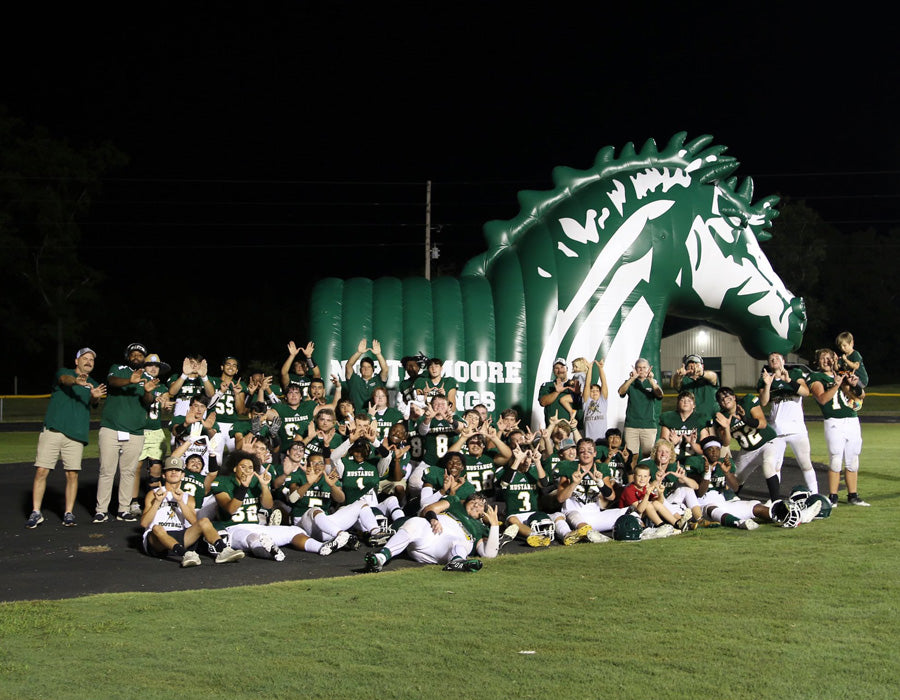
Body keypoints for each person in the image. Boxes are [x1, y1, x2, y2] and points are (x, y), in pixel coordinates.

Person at [210, 450, 350, 560]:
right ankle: (270, 552)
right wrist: (243, 488)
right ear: (235, 469)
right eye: (243, 467)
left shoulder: (255, 482)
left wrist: (264, 487)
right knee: (253, 538)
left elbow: (268, 505)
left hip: (257, 526)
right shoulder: (223, 482)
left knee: (295, 531)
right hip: (233, 529)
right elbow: (230, 509)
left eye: (250, 467)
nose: (247, 470)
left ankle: (322, 548)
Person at [27, 347, 107, 529]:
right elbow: (65, 380)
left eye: (92, 360)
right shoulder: (65, 373)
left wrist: (95, 397)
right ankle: (36, 511)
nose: (88, 361)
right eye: (85, 358)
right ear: (76, 361)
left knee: (72, 474)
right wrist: (78, 382)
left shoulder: (93, 383)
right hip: (54, 430)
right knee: (42, 471)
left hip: (76, 435)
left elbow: (93, 402)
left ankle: (68, 513)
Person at [140, 456, 244, 567]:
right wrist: (157, 502)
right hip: (157, 541)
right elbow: (144, 523)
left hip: (180, 536)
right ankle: (185, 554)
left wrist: (180, 502)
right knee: (157, 528)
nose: (174, 472)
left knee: (204, 521)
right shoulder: (153, 494)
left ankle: (223, 550)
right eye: (170, 470)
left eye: (177, 470)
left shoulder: (188, 497)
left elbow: (195, 522)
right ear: (164, 475)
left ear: (182, 475)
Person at [94, 343, 158, 523]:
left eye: (140, 355)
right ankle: (101, 510)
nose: (136, 356)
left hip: (135, 431)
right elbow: (112, 382)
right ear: (128, 356)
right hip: (111, 428)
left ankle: (123, 509)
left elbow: (148, 401)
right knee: (107, 470)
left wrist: (147, 391)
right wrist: (130, 381)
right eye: (133, 354)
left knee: (128, 471)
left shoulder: (147, 376)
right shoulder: (119, 369)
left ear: (144, 359)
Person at [363, 492, 501, 573]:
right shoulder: (455, 503)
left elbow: (489, 554)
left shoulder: (481, 528)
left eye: (481, 504)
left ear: (485, 512)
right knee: (414, 522)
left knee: (458, 542)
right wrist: (433, 519)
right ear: (466, 501)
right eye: (473, 501)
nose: (476, 504)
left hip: (445, 548)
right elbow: (429, 509)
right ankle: (381, 558)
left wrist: (494, 526)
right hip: (430, 532)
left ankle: (457, 562)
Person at [807, 348, 868, 507]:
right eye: (823, 358)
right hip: (834, 421)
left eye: (829, 357)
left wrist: (855, 385)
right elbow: (822, 399)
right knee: (835, 459)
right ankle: (833, 497)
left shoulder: (843, 372)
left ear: (835, 359)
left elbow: (861, 396)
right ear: (817, 362)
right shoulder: (816, 377)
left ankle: (853, 496)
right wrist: (836, 385)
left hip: (852, 419)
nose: (827, 361)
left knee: (853, 459)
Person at [757, 352, 818, 493]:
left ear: (783, 360)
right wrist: (767, 385)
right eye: (771, 359)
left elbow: (805, 392)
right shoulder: (765, 379)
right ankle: (775, 498)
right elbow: (764, 402)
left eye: (777, 358)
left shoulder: (795, 373)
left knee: (805, 463)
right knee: (775, 466)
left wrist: (789, 380)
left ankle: (815, 494)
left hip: (797, 429)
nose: (774, 360)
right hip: (777, 430)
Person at [713, 386, 781, 501]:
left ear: (734, 397)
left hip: (767, 442)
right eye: (722, 399)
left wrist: (745, 419)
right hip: (747, 451)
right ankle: (730, 502)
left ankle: (777, 502)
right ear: (720, 403)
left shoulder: (747, 401)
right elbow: (726, 442)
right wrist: (726, 428)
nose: (725, 399)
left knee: (768, 466)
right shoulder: (721, 417)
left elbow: (763, 423)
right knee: (734, 480)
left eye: (727, 396)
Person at [129, 352, 173, 518]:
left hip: (155, 431)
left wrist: (166, 406)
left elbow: (165, 402)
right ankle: (133, 501)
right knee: (136, 467)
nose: (153, 368)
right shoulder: (137, 383)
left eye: (156, 366)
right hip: (138, 430)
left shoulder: (162, 387)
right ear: (143, 367)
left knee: (156, 467)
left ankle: (154, 501)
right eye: (150, 365)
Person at [617, 358, 663, 458]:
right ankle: (631, 474)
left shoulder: (653, 383)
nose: (641, 370)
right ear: (635, 369)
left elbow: (660, 395)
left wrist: (651, 380)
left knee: (648, 456)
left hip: (648, 425)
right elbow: (621, 392)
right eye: (639, 368)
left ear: (648, 369)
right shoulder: (630, 382)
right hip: (631, 425)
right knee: (631, 456)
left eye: (644, 367)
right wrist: (632, 378)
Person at [671, 354, 719, 425]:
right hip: (691, 422)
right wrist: (678, 375)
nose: (693, 367)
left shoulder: (708, 378)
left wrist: (701, 373)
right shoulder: (684, 381)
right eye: (690, 365)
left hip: (711, 420)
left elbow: (713, 376)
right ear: (686, 368)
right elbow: (676, 384)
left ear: (702, 366)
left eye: (696, 364)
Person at [343, 338, 388, 412]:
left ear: (373, 369)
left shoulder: (378, 380)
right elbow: (348, 366)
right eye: (363, 367)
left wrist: (378, 354)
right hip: (357, 418)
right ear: (360, 370)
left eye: (369, 367)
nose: (366, 369)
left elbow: (385, 369)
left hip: (375, 417)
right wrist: (359, 352)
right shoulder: (354, 380)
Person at [538, 358, 577, 424]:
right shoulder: (547, 385)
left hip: (571, 428)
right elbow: (543, 402)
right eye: (556, 368)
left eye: (562, 367)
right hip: (552, 428)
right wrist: (556, 392)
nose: (560, 370)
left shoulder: (575, 384)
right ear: (553, 371)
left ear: (567, 369)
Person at [581, 359, 608, 442]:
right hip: (588, 440)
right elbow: (587, 384)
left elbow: (604, 383)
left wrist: (600, 368)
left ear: (600, 393)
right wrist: (590, 369)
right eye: (592, 391)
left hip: (602, 440)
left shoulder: (603, 401)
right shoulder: (586, 401)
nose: (594, 392)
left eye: (597, 390)